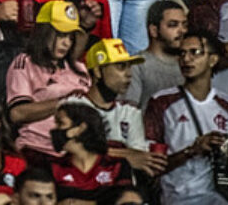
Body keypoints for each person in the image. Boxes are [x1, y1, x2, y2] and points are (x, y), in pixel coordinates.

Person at [144, 29, 228, 202]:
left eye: (195, 52)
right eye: (182, 53)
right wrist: (192, 151)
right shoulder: (161, 103)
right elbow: (152, 167)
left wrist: (223, 148)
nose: (186, 59)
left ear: (213, 59)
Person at [6, 1, 91, 160]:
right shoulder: (25, 63)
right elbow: (17, 113)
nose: (66, 43)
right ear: (43, 32)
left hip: (77, 152)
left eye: (70, 37)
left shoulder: (79, 69)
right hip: (37, 149)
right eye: (60, 35)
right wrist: (64, 102)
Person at [67, 38, 163, 174]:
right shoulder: (73, 105)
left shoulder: (130, 111)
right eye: (121, 67)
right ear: (98, 72)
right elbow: (72, 150)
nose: (129, 74)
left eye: (129, 67)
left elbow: (139, 157)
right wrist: (124, 155)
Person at [47, 101, 134, 201]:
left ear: (80, 128)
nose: (54, 129)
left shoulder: (116, 165)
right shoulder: (54, 167)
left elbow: (126, 201)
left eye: (60, 123)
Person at [126, 0, 187, 108]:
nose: (182, 30)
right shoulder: (137, 65)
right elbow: (128, 111)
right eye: (173, 25)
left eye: (184, 25)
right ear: (154, 30)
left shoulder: (189, 63)